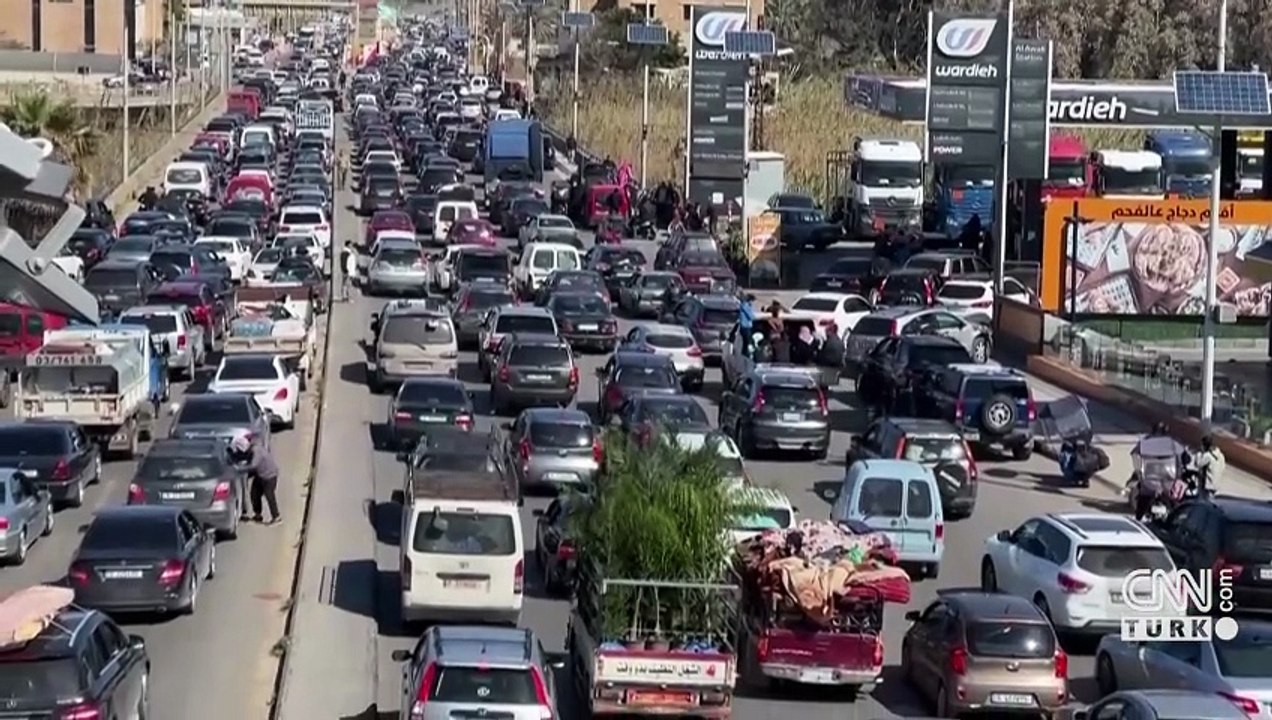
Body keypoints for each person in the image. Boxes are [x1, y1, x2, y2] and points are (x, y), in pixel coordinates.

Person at [232, 434, 282, 524]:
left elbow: (253, 465)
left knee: (269, 495)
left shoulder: (256, 451)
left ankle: (276, 516)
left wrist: (240, 469)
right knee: (255, 494)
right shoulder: (252, 449)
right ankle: (258, 514)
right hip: (260, 475)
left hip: (270, 476)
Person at [737, 293, 757, 358]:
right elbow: (751, 316)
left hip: (744, 327)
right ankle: (745, 356)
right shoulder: (746, 306)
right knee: (748, 343)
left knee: (745, 343)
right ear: (750, 300)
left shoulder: (744, 306)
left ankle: (744, 355)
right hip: (746, 327)